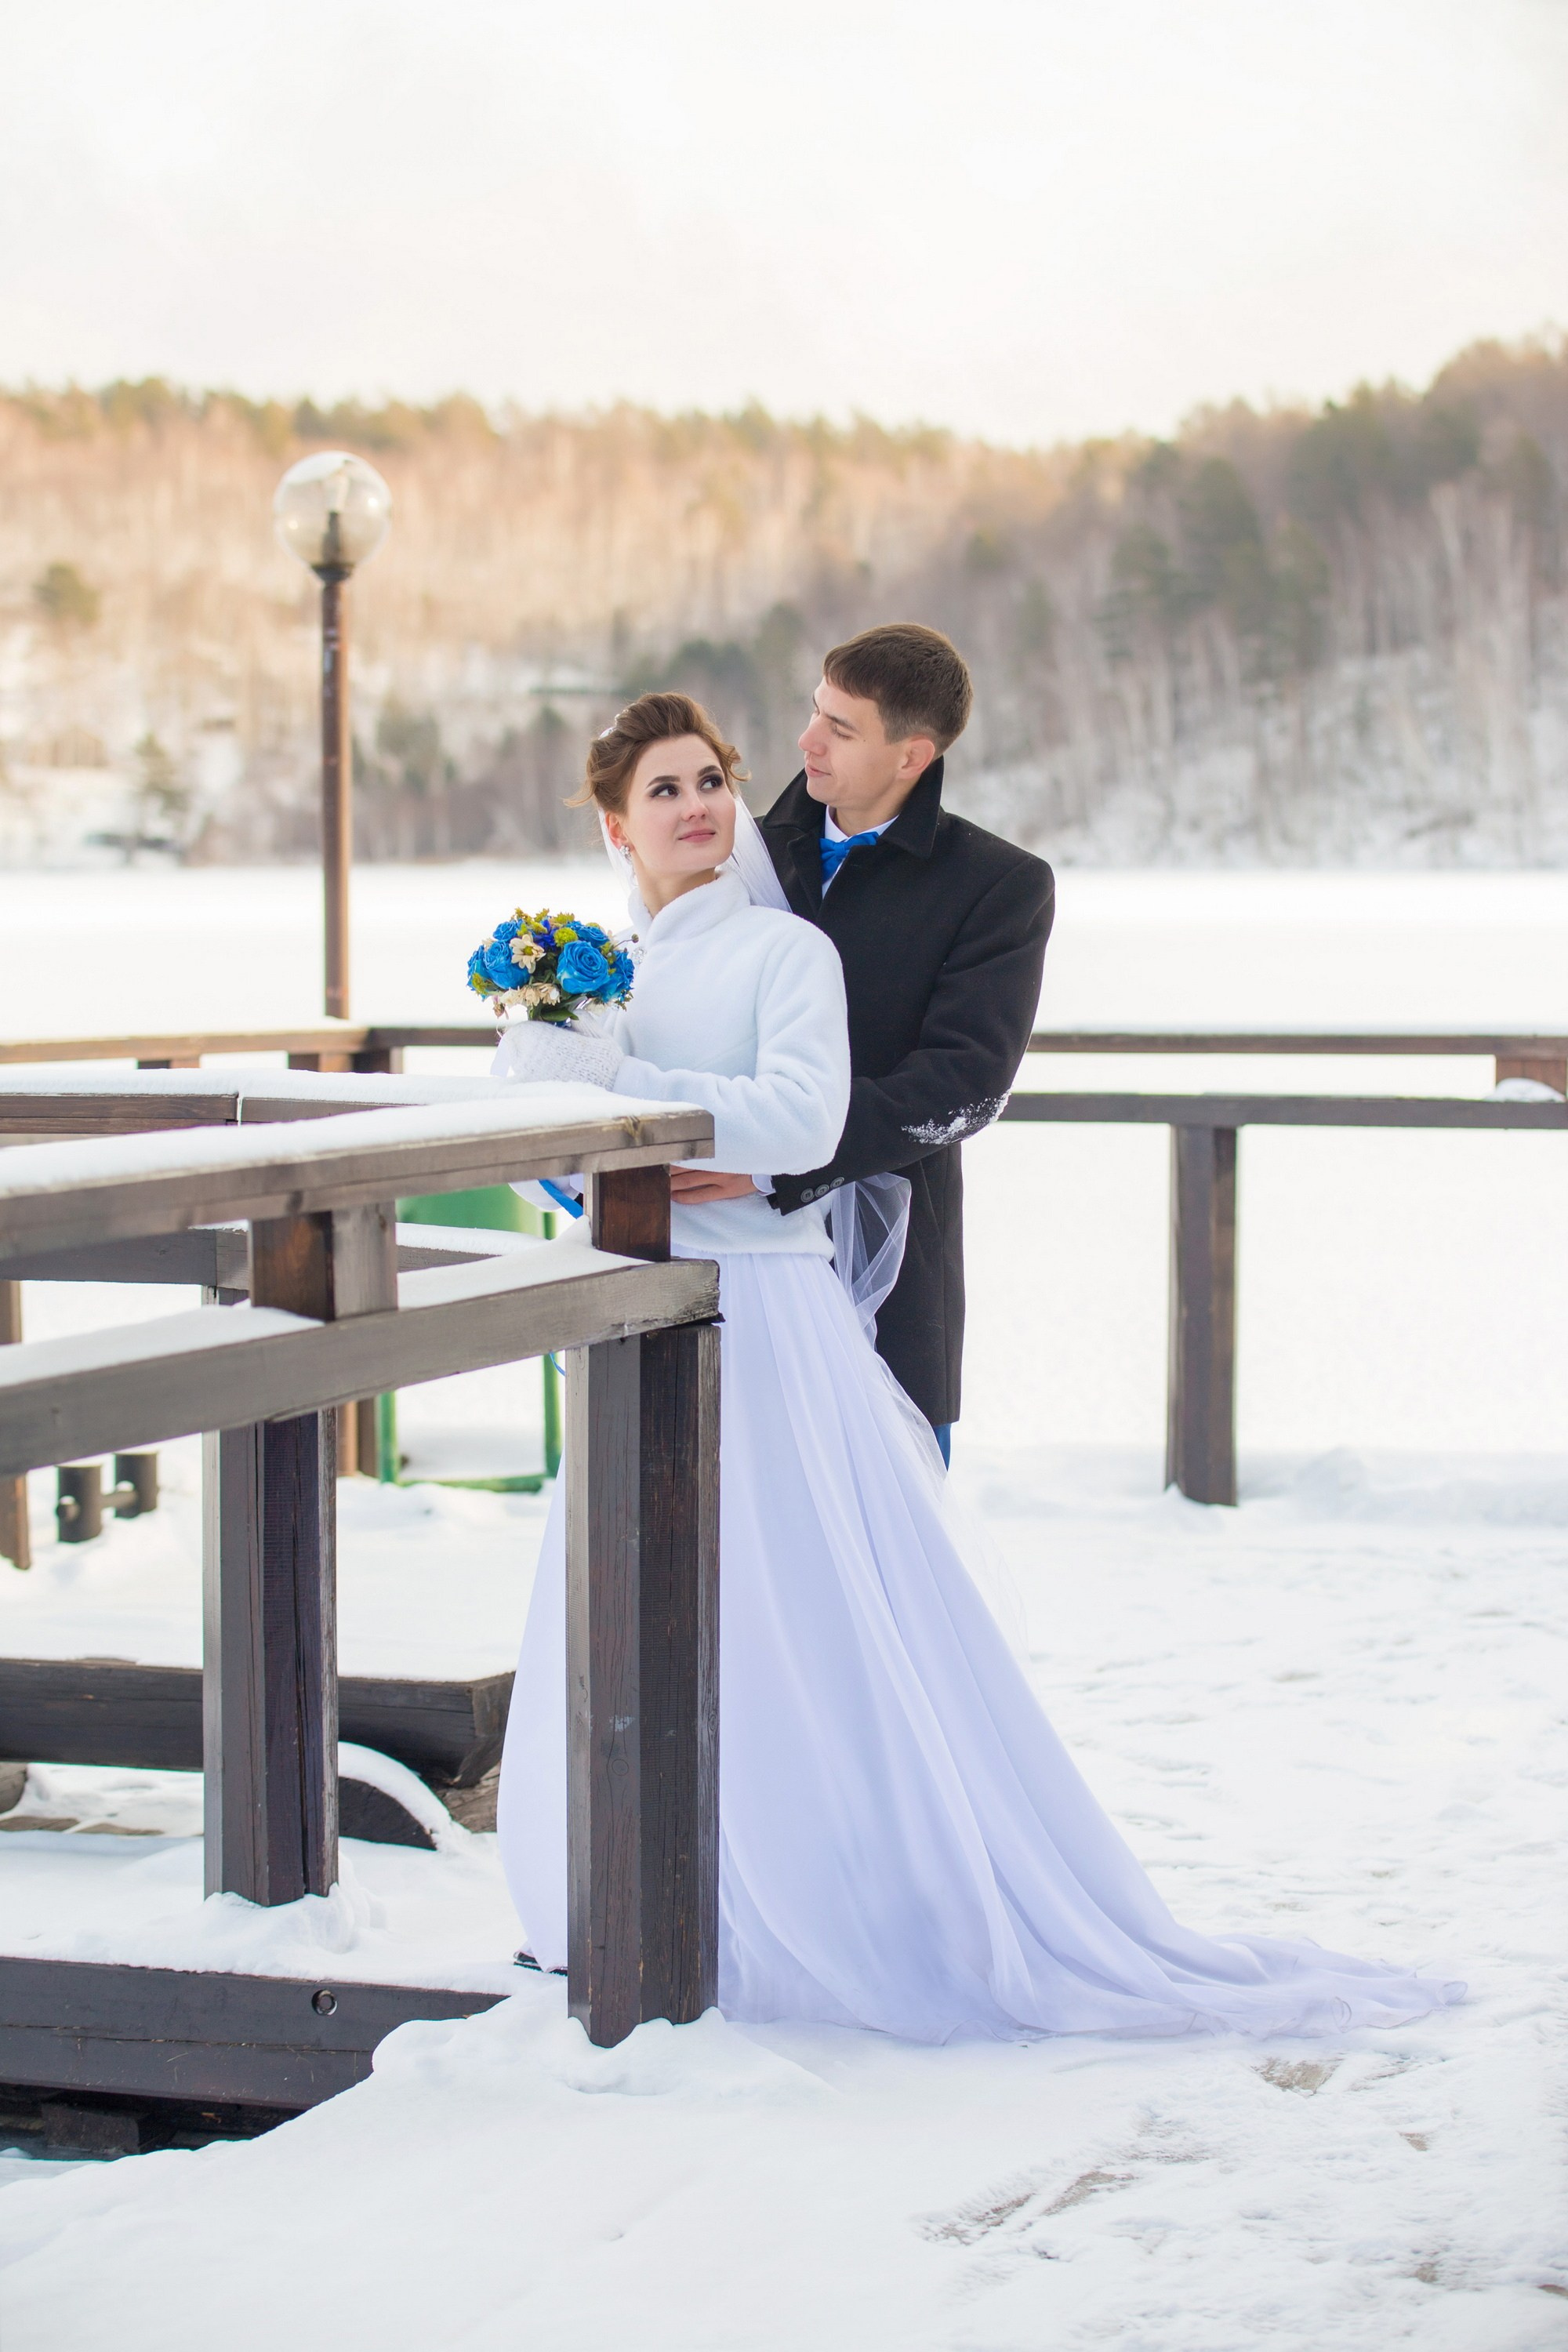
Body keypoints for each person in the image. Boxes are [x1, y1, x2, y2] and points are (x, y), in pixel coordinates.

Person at [491, 688, 1461, 2044]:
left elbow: (803, 1113)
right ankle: (634, 1892)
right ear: (614, 821)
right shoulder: (597, 970)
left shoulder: (782, 954)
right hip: (636, 1301)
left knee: (796, 1614)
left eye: (712, 778)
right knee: (637, 1595)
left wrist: (658, 1135)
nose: (700, 804)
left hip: (763, 1316)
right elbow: (541, 1128)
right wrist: (582, 1143)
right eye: (665, 789)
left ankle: (847, 1903)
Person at [667, 623, 1054, 1461]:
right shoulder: (739, 856)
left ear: (910, 756)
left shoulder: (996, 886)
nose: (807, 740)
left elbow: (964, 1084)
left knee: (890, 1526)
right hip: (718, 1246)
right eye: (815, 711)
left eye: (840, 730)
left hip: (892, 1267)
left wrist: (778, 1153)